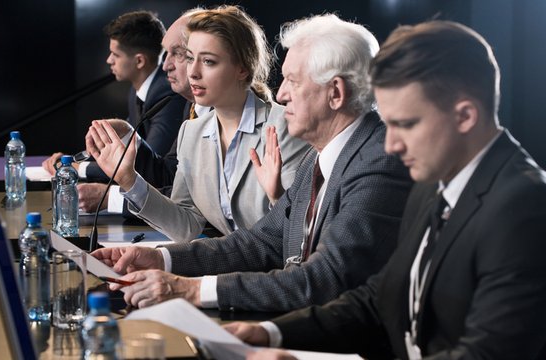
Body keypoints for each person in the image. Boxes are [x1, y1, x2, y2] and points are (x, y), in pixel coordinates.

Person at [226, 20, 546, 360]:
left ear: (465, 116)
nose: (390, 145)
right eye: (388, 124)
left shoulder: (525, 206)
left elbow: (486, 355)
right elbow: (383, 298)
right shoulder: (431, 186)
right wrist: (271, 333)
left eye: (405, 124)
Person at [91, 13, 412, 312]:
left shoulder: (379, 160)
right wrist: (161, 259)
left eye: (293, 81)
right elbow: (263, 242)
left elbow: (325, 279)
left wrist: (191, 289)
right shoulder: (320, 154)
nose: (281, 94)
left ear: (336, 93)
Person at [88, 5, 310, 242]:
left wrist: (277, 197)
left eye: (208, 62)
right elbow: (187, 225)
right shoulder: (191, 132)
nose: (193, 72)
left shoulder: (285, 127)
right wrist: (130, 181)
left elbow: (296, 230)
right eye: (191, 58)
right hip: (230, 268)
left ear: (242, 69)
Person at [41, 10, 187, 202]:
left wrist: (78, 168)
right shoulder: (137, 91)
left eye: (115, 54)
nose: (109, 60)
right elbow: (120, 149)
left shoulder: (167, 93)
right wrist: (74, 160)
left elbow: (150, 166)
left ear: (139, 61)